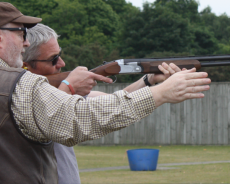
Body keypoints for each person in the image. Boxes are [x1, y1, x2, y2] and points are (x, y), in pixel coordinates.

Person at [0, 2, 211, 183]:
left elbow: (108, 103)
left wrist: (149, 80)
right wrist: (161, 93)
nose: (62, 63)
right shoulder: (20, 87)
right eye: (20, 33)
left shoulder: (21, 88)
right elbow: (76, 118)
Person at [22, 23, 185, 184]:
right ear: (26, 65)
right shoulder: (20, 98)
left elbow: (113, 102)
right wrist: (68, 86)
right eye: (53, 59)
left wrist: (148, 80)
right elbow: (54, 118)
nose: (62, 63)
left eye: (59, 55)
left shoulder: (56, 91)